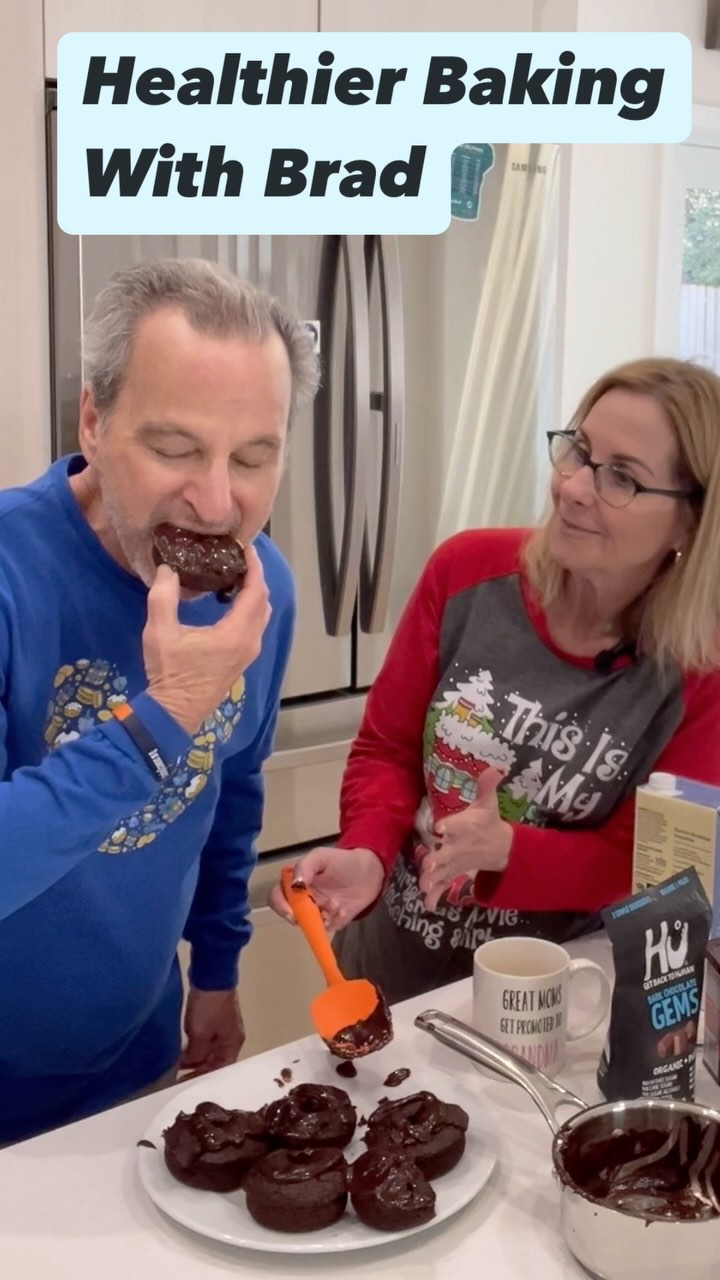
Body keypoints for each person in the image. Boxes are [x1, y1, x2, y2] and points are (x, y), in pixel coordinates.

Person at [271, 357, 720, 1004]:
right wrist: (367, 850)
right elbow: (387, 753)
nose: (571, 487)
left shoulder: (697, 675)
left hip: (553, 1005)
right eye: (579, 451)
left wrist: (510, 849)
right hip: (389, 975)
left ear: (690, 520)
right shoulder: (466, 576)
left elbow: (650, 865)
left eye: (621, 477)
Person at [0, 258, 318, 1145]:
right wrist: (165, 714)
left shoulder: (266, 594)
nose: (219, 502)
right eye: (175, 449)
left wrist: (216, 968)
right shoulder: (9, 575)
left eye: (255, 456)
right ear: (95, 421)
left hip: (137, 1057)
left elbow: (231, 786)